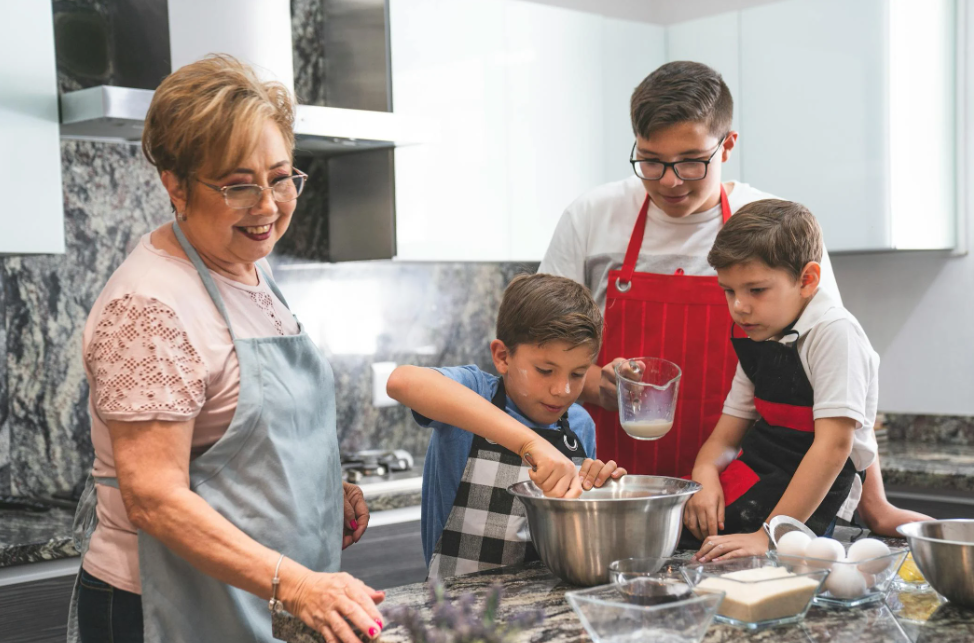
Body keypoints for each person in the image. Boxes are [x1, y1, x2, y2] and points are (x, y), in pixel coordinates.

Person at [538, 60, 930, 535]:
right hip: (615, 487)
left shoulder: (774, 229)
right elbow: (541, 363)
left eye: (690, 161)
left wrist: (876, 505)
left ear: (728, 144)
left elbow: (836, 381)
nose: (669, 180)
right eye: (651, 161)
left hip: (734, 492)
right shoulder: (590, 218)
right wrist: (605, 383)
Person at [69, 55, 383, 643]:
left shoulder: (246, 269)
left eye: (282, 176)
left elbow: (243, 438)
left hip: (254, 600)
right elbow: (154, 498)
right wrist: (298, 584)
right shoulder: (151, 307)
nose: (268, 206)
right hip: (164, 608)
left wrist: (317, 489)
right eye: (239, 185)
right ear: (176, 187)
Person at [387, 274, 625, 579]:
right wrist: (531, 444)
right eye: (545, 370)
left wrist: (598, 495)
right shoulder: (475, 393)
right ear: (502, 356)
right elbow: (402, 381)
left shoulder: (579, 426)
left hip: (544, 605)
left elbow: (577, 536)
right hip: (457, 612)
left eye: (578, 374)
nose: (562, 390)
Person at [685, 199, 877, 560]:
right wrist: (705, 474)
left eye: (755, 290)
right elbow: (727, 437)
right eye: (729, 290)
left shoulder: (834, 332)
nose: (739, 306)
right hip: (760, 472)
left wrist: (770, 534)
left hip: (811, 491)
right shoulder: (760, 333)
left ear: (807, 281)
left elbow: (834, 447)